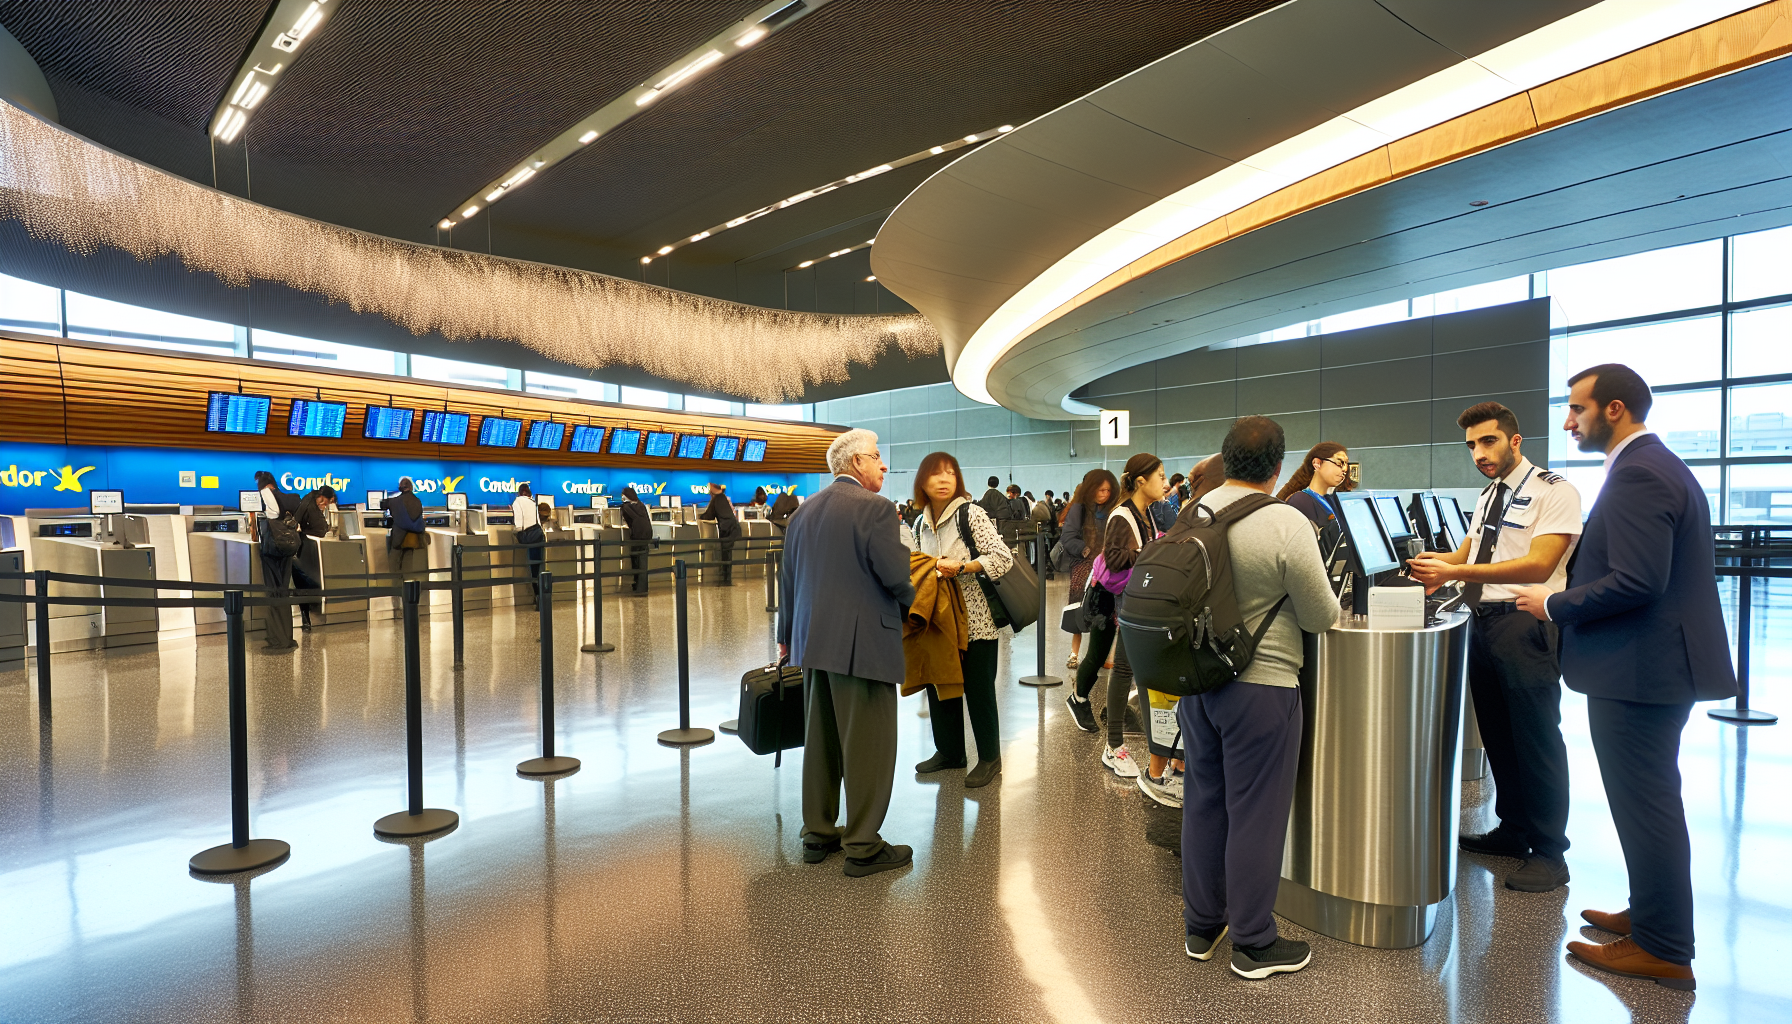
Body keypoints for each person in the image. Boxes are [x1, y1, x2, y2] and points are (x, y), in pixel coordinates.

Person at [1514, 364, 1737, 991]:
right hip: (1652, 666)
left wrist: (1553, 604)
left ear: (1613, 409)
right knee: (1646, 801)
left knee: (1647, 805)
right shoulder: (1656, 465)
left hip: (1643, 669)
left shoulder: (1639, 471)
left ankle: (1664, 947)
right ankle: (1653, 914)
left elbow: (1640, 580)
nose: (1567, 421)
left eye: (1576, 409)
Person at [1176, 416, 1339, 979]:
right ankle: (1252, 941)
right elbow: (1321, 615)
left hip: (1195, 684)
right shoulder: (1284, 521)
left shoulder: (1191, 512)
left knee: (1203, 801)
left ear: (1224, 457)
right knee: (1257, 814)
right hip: (1262, 686)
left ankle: (1202, 925)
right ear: (1278, 467)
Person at [1407, 403, 1580, 893]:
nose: (1479, 453)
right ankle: (1514, 831)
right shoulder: (1489, 496)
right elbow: (1470, 550)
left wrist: (1455, 573)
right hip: (1483, 623)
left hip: (1524, 622)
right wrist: (1435, 563)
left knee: (1537, 739)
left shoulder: (1555, 491)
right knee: (1500, 736)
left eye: (1488, 442)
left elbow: (1539, 564)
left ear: (1514, 440)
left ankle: (1550, 852)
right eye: (1472, 446)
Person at [778, 429, 917, 877]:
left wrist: (786, 637)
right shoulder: (876, 509)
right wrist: (912, 602)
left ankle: (818, 833)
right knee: (870, 745)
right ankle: (862, 845)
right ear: (855, 463)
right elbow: (896, 575)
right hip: (863, 645)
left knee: (821, 740)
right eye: (877, 457)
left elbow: (789, 580)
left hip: (811, 642)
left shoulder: (803, 512)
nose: (883, 465)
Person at [907, 451, 1014, 788]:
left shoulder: (971, 514)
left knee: (978, 687)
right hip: (939, 618)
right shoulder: (919, 522)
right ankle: (950, 752)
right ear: (923, 481)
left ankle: (990, 758)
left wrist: (963, 567)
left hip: (976, 617)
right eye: (936, 474)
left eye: (950, 474)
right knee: (941, 683)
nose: (944, 480)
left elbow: (1002, 556)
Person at [1063, 454, 1165, 787]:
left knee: (1126, 669)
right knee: (1121, 669)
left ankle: (1130, 745)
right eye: (1159, 476)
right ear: (1140, 481)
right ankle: (1114, 743)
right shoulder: (1124, 515)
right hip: (1118, 601)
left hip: (1132, 602)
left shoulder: (1145, 513)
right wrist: (1153, 551)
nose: (1164, 483)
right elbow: (1118, 558)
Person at [1058, 468, 1119, 670]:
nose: (1104, 494)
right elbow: (1068, 536)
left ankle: (1104, 654)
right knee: (1079, 606)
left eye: (1108, 490)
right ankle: (1074, 653)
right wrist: (1085, 550)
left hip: (1108, 565)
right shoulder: (1079, 508)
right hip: (1083, 564)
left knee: (1107, 609)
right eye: (1100, 490)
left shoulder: (1114, 508)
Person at [252, 471, 302, 650]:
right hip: (287, 548)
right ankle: (287, 637)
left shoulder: (266, 494)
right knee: (283, 591)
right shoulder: (292, 498)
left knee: (273, 593)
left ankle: (277, 639)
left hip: (272, 550)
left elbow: (272, 514)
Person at [1275, 442, 1349, 554]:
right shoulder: (1300, 501)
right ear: (1317, 464)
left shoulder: (1336, 501)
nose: (1344, 469)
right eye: (1339, 463)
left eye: (1346, 464)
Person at [293, 485, 335, 631]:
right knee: (306, 583)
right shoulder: (311, 505)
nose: (325, 506)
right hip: (305, 548)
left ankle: (306, 618)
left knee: (303, 583)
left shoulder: (308, 500)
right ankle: (307, 618)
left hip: (303, 547)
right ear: (323, 498)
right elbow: (321, 529)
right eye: (326, 502)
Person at [382, 476, 427, 583]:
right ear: (411, 487)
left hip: (398, 537)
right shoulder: (417, 501)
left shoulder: (394, 502)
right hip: (412, 537)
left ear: (400, 488)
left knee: (394, 560)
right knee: (408, 560)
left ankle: (394, 583)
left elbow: (382, 504)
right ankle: (407, 584)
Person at [699, 482, 740, 583]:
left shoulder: (716, 499)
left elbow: (709, 515)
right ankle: (727, 577)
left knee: (725, 554)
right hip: (734, 528)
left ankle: (725, 578)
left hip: (726, 529)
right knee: (728, 554)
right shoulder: (723, 498)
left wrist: (699, 517)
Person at [511, 483, 544, 597]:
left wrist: (517, 532)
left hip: (529, 536)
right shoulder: (533, 502)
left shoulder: (517, 502)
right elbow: (538, 521)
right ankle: (540, 592)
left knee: (532, 566)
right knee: (538, 565)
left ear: (519, 492)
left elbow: (519, 521)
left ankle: (536, 593)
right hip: (539, 536)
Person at [619, 487, 653, 596]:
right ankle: (642, 586)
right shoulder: (641, 505)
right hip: (647, 534)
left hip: (637, 535)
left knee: (636, 560)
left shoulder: (626, 507)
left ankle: (638, 586)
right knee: (643, 561)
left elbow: (629, 521)